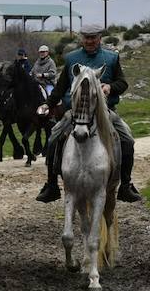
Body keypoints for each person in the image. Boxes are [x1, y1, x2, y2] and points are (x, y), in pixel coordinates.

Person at [35, 23, 142, 203]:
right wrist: (48, 104)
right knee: (54, 137)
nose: (90, 41)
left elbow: (123, 83)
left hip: (105, 112)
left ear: (99, 38)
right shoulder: (71, 59)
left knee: (127, 140)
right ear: (81, 39)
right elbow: (61, 88)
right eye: (87, 38)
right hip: (75, 112)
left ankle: (125, 185)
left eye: (93, 38)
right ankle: (51, 185)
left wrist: (110, 86)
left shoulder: (111, 58)